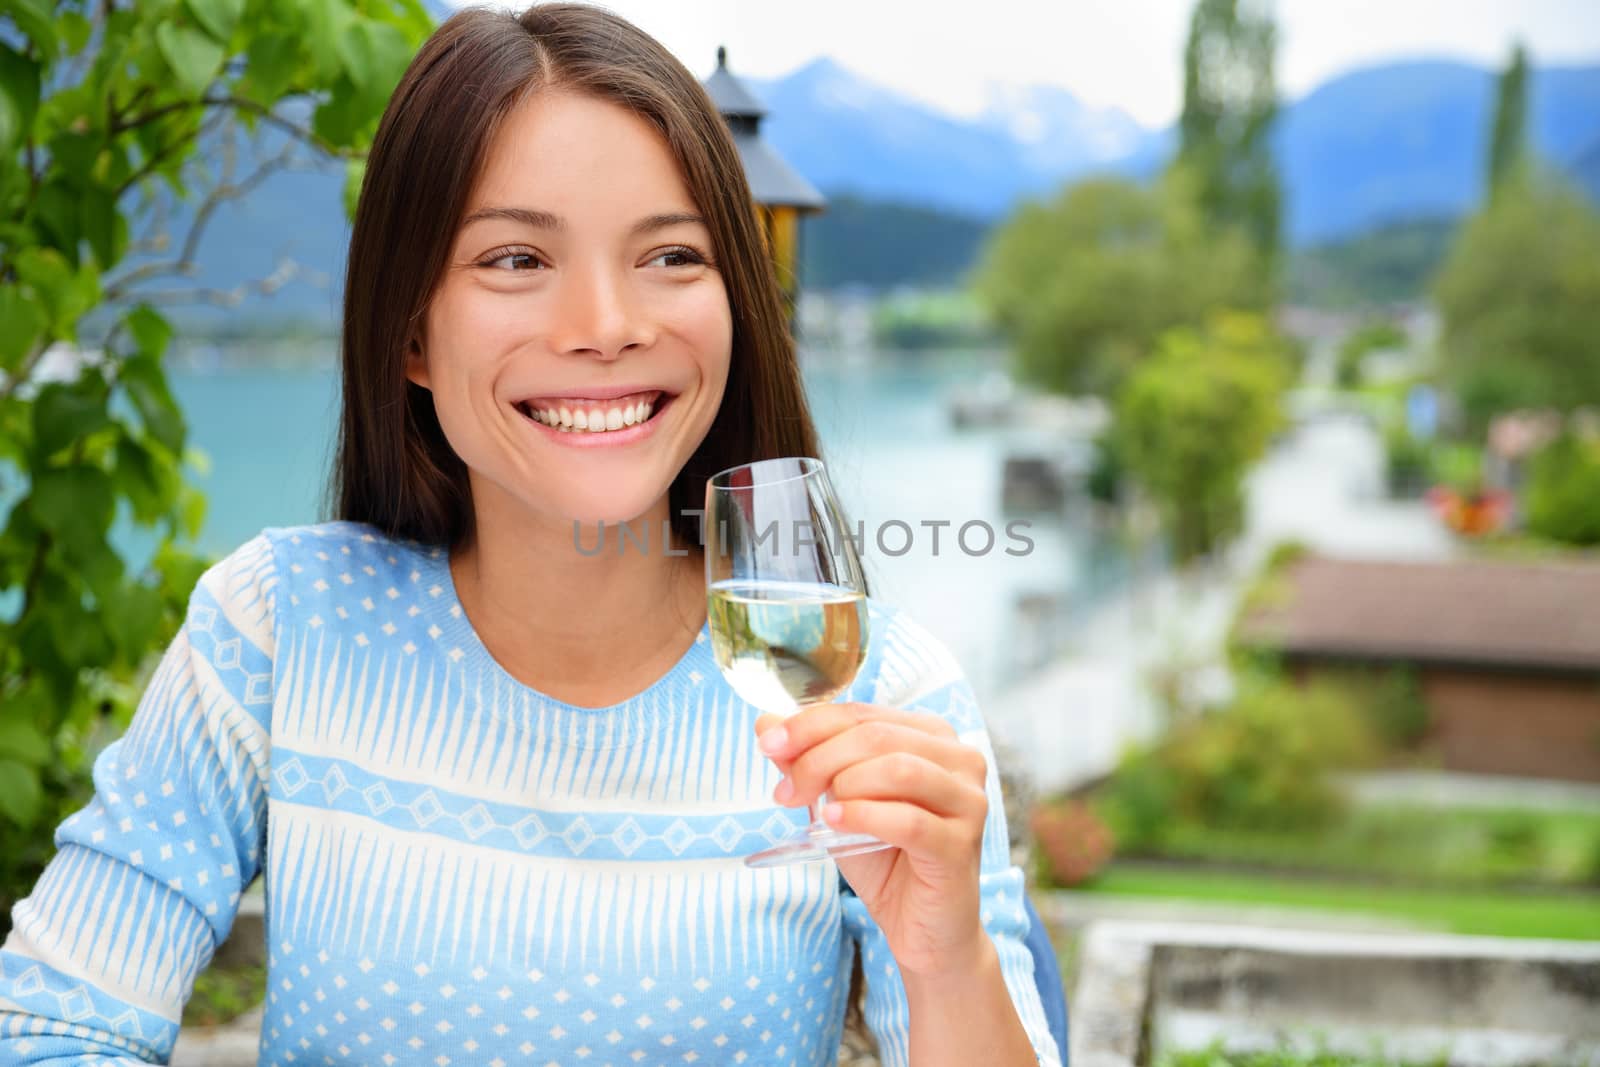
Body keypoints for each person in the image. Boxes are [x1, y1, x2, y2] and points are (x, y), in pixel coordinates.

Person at [0, 5, 1064, 1065]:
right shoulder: (280, 630)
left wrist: (944, 956)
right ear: (410, 330)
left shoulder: (880, 695)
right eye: (514, 258)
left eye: (671, 256)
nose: (603, 324)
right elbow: (51, 1027)